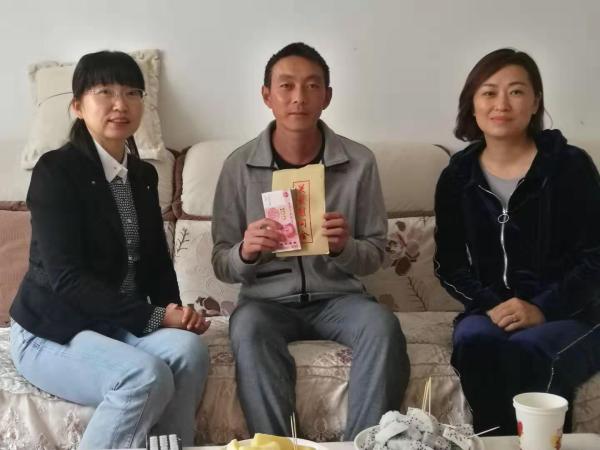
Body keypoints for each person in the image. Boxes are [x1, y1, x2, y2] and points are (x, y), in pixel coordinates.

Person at [9, 51, 210, 449]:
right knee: (143, 376)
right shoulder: (56, 172)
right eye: (105, 92)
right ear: (77, 106)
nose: (121, 104)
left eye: (132, 92)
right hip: (53, 329)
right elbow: (66, 280)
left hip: (115, 324)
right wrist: (155, 316)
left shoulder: (142, 175)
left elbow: (156, 263)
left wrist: (177, 313)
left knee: (189, 351)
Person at [211, 42, 409, 440]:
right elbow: (221, 261)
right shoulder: (238, 166)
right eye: (286, 86)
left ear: (327, 96)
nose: (298, 97)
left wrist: (344, 247)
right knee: (248, 329)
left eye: (312, 86)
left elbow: (374, 254)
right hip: (266, 304)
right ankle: (277, 446)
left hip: (339, 299)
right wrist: (246, 252)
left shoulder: (359, 162)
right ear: (267, 95)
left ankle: (364, 445)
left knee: (382, 326)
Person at [434, 48, 600, 435]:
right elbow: (449, 265)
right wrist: (492, 305)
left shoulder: (570, 166)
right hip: (490, 309)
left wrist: (541, 308)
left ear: (535, 102)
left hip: (572, 312)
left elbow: (596, 258)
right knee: (474, 340)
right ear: (472, 103)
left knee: (529, 349)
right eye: (489, 92)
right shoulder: (457, 176)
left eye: (516, 91)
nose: (502, 104)